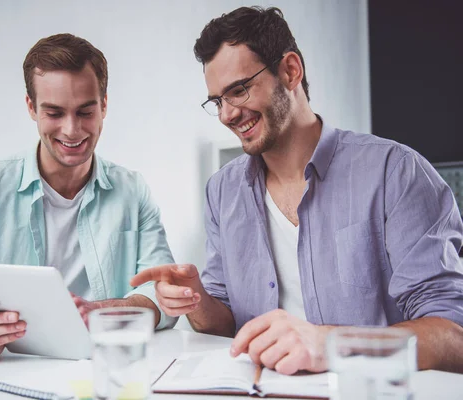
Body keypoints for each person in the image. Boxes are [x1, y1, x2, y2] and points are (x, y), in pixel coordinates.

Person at [131, 6, 463, 374]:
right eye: (217, 101)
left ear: (290, 70)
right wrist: (196, 300)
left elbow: (451, 335)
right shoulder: (222, 191)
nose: (226, 114)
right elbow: (226, 324)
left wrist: (331, 346)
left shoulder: (395, 172)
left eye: (238, 91)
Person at [0, 33, 176, 360]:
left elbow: (163, 295)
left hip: (105, 369)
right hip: (10, 373)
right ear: (31, 107)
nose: (72, 130)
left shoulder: (132, 191)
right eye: (54, 113)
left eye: (86, 112)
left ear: (104, 105)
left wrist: (103, 311)